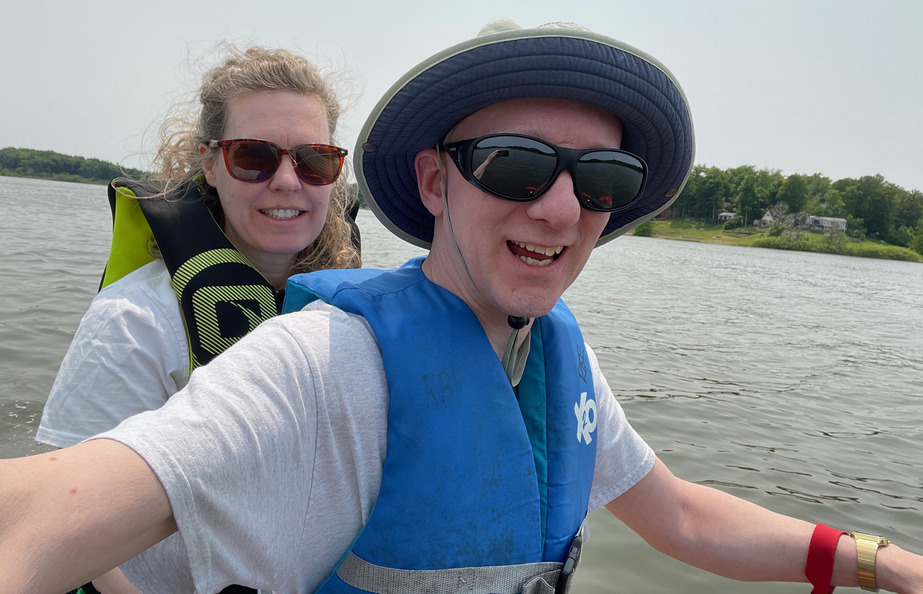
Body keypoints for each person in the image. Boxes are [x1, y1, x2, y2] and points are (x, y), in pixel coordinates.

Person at [2, 21, 921, 594]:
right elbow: (31, 519)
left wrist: (877, 561)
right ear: (435, 182)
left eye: (601, 179)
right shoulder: (323, 358)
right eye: (514, 165)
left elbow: (678, 516)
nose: (558, 208)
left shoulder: (551, 355)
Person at [33, 44, 360, 593]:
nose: (288, 180)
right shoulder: (135, 321)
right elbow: (61, 517)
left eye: (314, 160)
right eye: (253, 156)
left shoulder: (347, 310)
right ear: (210, 164)